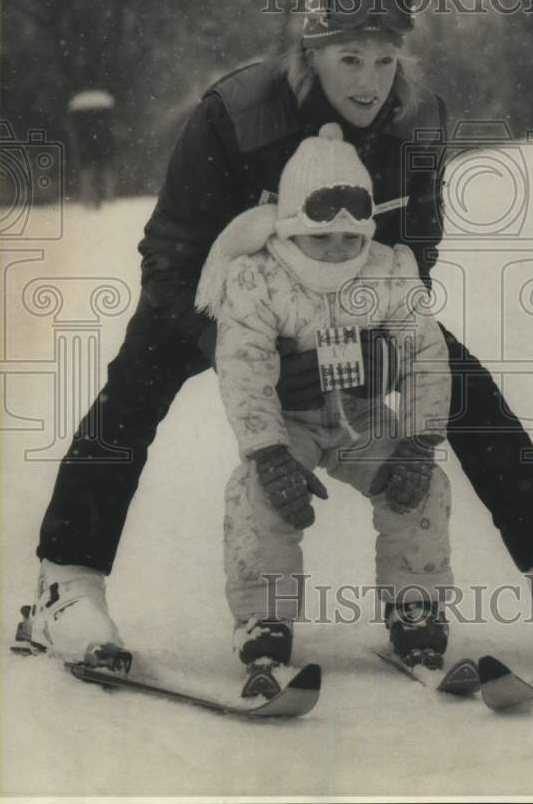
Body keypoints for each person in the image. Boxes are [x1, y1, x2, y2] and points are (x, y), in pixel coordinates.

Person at [26, 0, 533, 667]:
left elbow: (415, 251)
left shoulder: (417, 120)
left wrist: (369, 338)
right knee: (134, 382)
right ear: (312, 49)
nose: (368, 81)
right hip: (229, 300)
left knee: (461, 381)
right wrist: (246, 341)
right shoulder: (235, 114)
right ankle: (67, 584)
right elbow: (168, 256)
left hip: (352, 298)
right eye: (348, 58)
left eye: (385, 58)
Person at [194, 123, 452, 692]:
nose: (338, 250)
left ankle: (416, 608)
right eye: (321, 236)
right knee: (260, 495)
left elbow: (425, 353)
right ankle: (265, 618)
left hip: (360, 415)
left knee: (422, 486)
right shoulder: (257, 276)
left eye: (350, 237)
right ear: (290, 226)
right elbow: (244, 364)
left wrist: (418, 437)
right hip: (288, 422)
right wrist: (267, 450)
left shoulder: (386, 268)